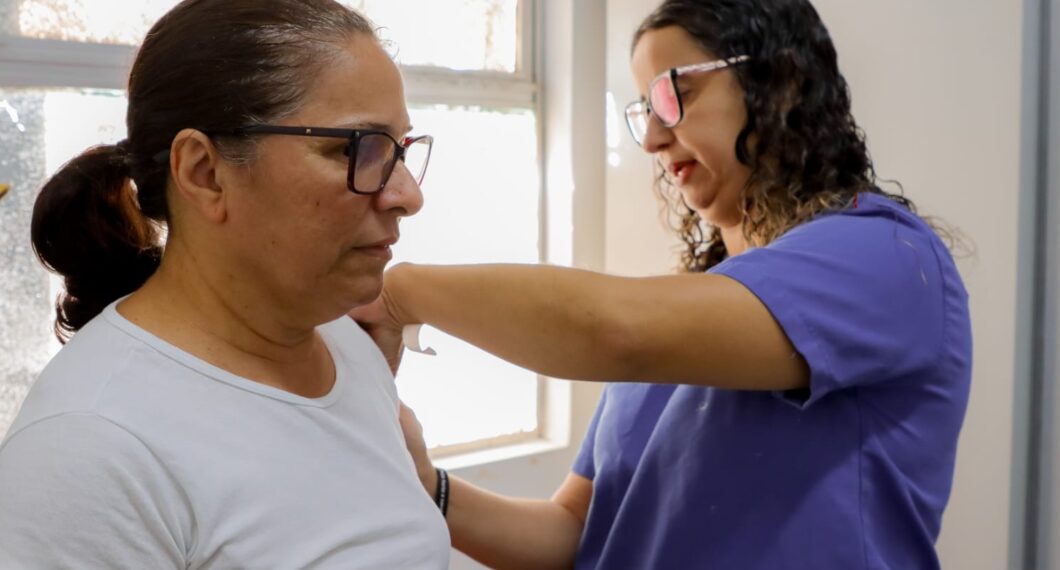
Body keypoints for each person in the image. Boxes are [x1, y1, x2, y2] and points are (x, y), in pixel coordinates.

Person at [353, 0, 972, 568]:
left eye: (673, 94)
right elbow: (576, 530)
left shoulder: (886, 257)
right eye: (644, 108)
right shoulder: (691, 308)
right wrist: (423, 479)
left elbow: (615, 330)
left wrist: (402, 292)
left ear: (778, 82)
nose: (650, 136)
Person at [0, 0, 449, 568]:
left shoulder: (344, 349)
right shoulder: (86, 451)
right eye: (357, 149)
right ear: (204, 172)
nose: (408, 196)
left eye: (400, 150)